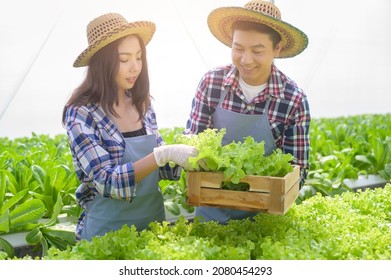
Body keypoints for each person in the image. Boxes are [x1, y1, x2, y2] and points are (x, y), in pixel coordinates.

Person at [62, 13, 198, 241]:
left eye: (139, 57)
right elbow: (107, 181)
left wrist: (186, 152)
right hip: (106, 233)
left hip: (152, 225)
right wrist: (162, 154)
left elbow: (163, 168)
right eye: (124, 60)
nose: (135, 67)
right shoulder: (82, 113)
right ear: (102, 62)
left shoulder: (142, 103)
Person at [184, 0, 311, 223]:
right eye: (238, 48)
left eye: (257, 51)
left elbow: (297, 171)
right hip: (210, 211)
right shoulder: (211, 83)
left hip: (265, 217)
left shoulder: (293, 100)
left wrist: (264, 191)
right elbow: (193, 141)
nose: (246, 60)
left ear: (277, 49)